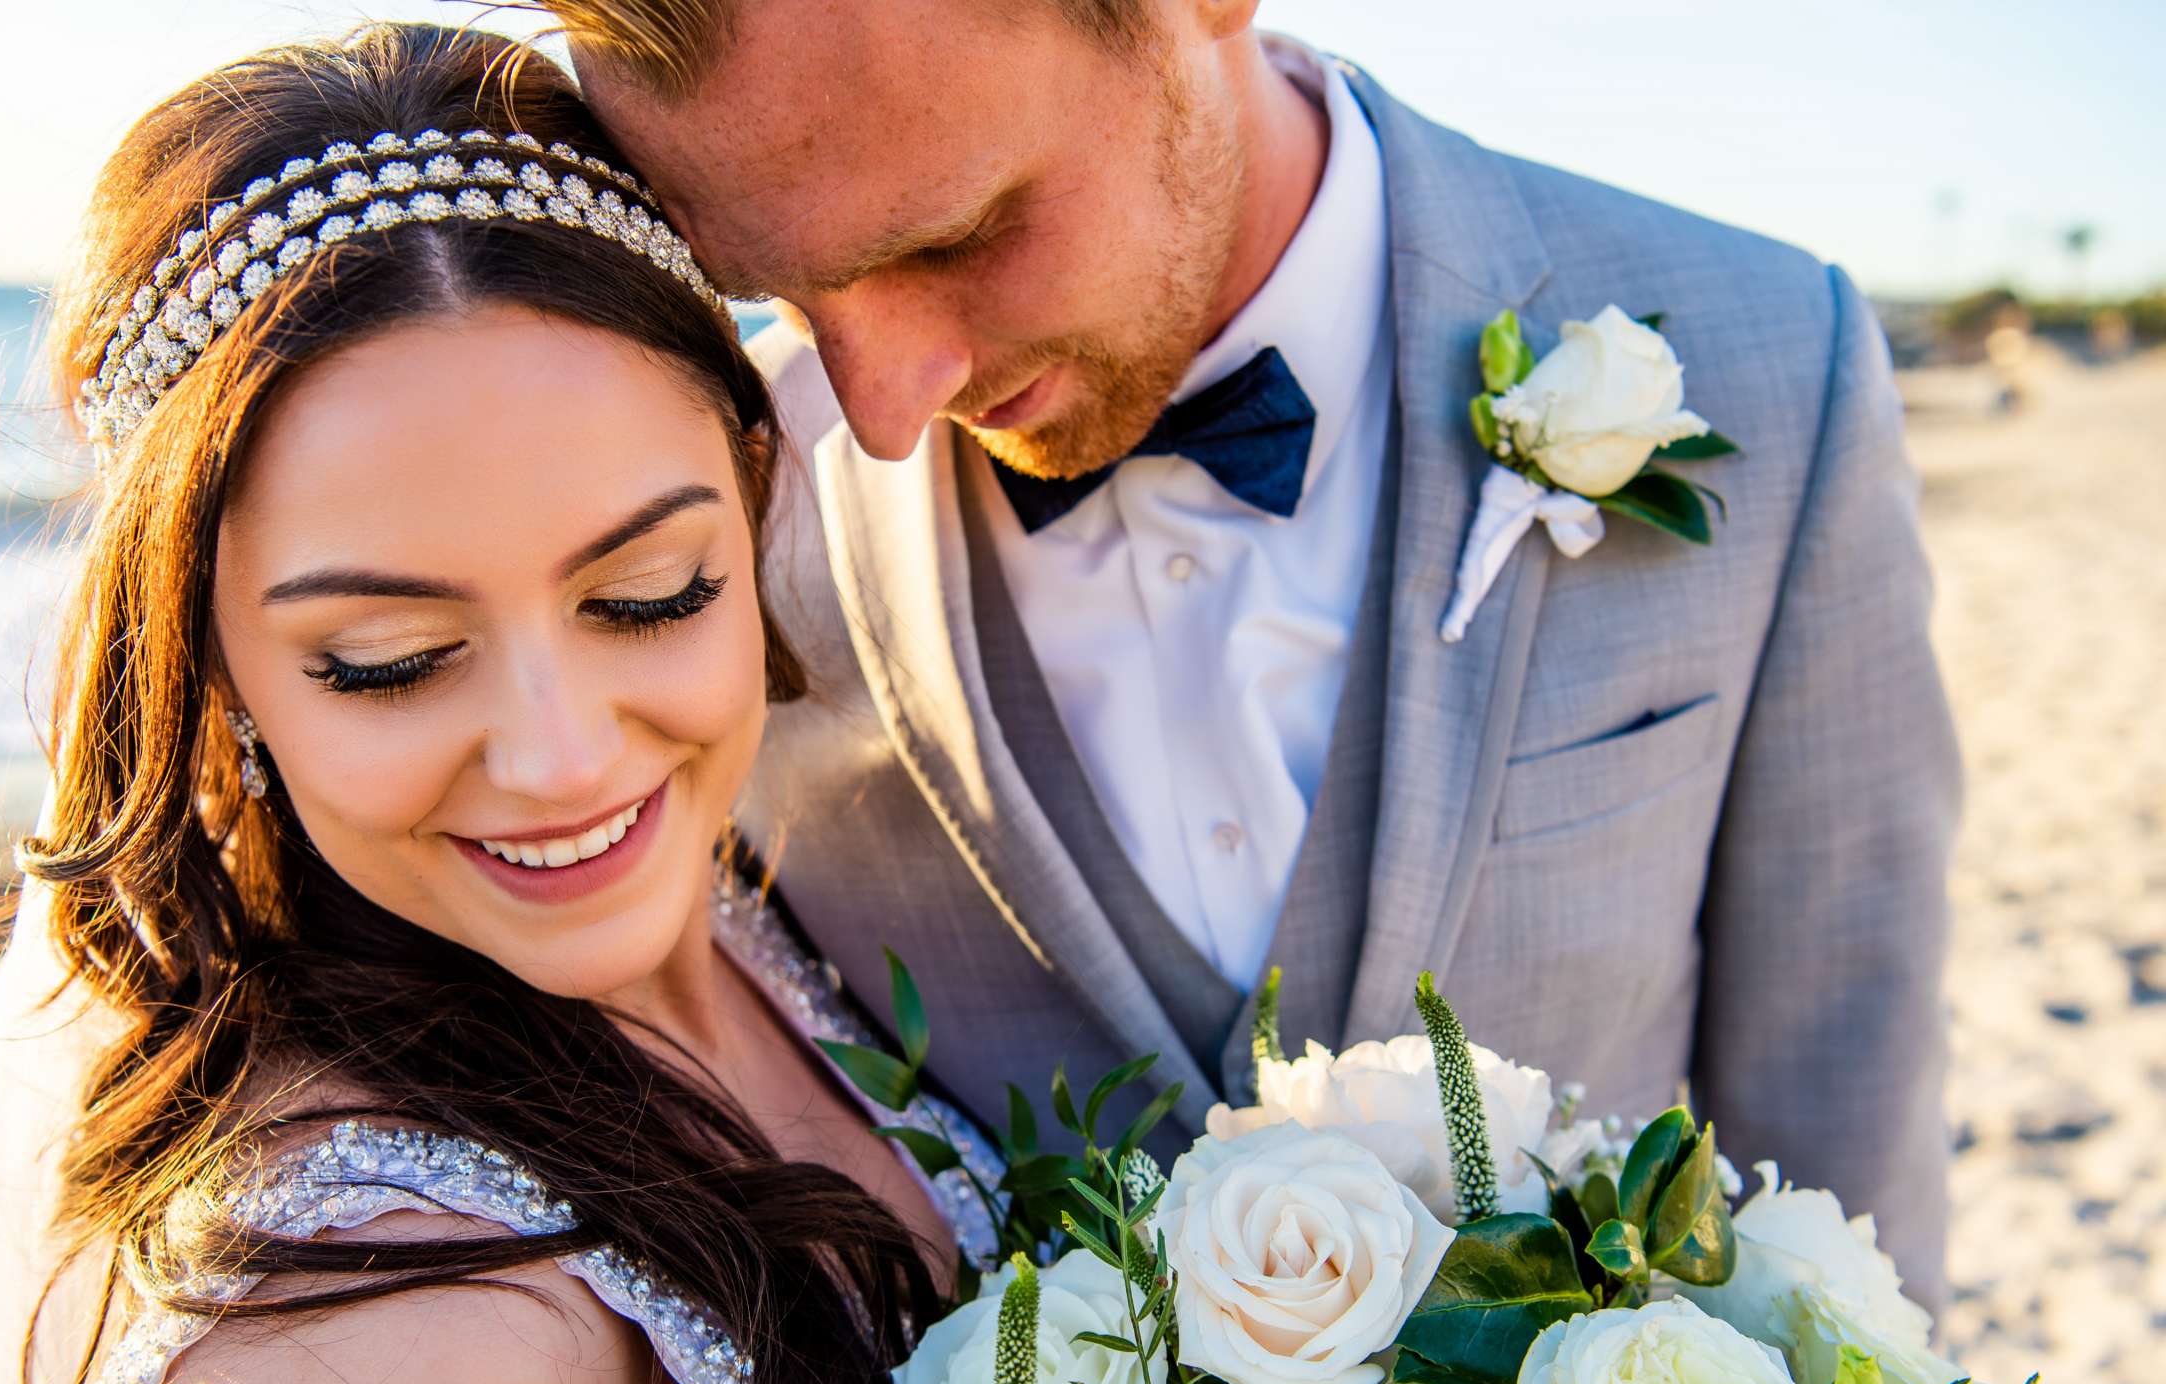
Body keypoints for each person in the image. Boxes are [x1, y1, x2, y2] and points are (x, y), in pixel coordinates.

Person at [0, 25, 995, 1384]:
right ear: (214, 667)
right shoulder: (386, 1365)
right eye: (391, 662)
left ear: (753, 492)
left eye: (646, 596)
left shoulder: (740, 899)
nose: (558, 760)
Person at [542, 0, 1965, 1296]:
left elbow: (1844, 1154)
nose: (885, 408)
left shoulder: (1778, 366)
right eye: (782, 294)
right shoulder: (700, 524)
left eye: (952, 237)